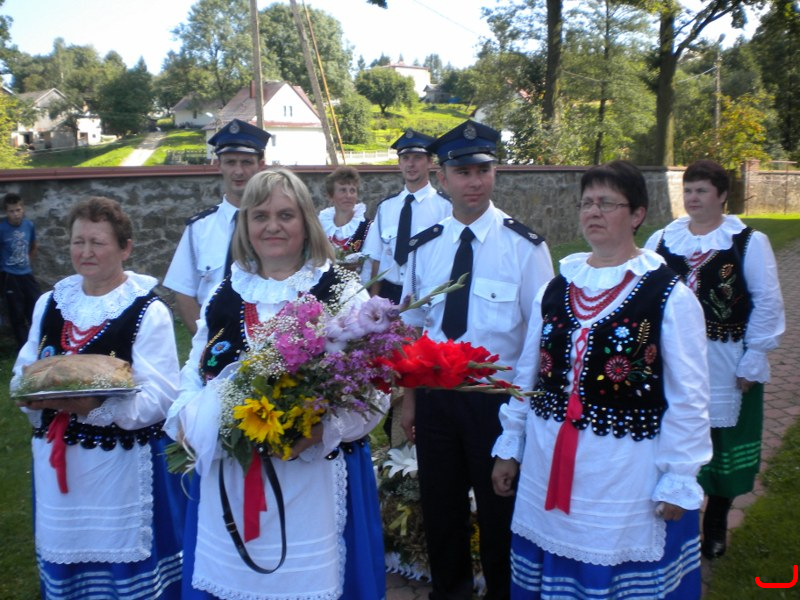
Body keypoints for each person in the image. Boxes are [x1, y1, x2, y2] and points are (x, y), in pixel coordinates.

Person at [491, 160, 712, 599]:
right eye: (587, 202)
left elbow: (689, 398)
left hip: (622, 469)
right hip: (547, 457)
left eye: (607, 203)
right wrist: (510, 446)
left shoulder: (670, 296)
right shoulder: (555, 288)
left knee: (610, 558)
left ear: (637, 214)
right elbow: (527, 375)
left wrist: (679, 475)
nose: (593, 211)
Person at [166, 168, 387, 599]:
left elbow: (374, 390)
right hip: (231, 477)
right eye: (260, 216)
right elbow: (193, 371)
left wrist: (321, 431)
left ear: (306, 221)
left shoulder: (341, 290)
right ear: (245, 225)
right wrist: (190, 421)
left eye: (285, 215)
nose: (272, 226)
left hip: (315, 476)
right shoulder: (223, 293)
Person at [400, 120, 554, 600]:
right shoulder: (425, 246)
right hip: (436, 398)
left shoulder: (525, 247)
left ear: (494, 173)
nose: (474, 182)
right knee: (440, 508)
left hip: (496, 403)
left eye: (483, 170)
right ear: (442, 177)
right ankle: (450, 592)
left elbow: (540, 342)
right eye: (463, 172)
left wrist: (523, 419)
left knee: (499, 511)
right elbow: (413, 329)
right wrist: (409, 401)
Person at [11, 196, 184, 599]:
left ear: (125, 248)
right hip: (59, 466)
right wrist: (30, 396)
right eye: (78, 241)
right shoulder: (50, 303)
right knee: (68, 562)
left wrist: (97, 407)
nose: (85, 252)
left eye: (97, 242)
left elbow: (161, 396)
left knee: (124, 568)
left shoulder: (147, 309)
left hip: (120, 467)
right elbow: (25, 370)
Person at [645, 159, 785, 560]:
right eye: (688, 190)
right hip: (672, 359)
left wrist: (755, 356)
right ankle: (678, 520)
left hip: (725, 359)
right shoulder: (662, 239)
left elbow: (767, 300)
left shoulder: (747, 241)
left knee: (722, 443)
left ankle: (717, 522)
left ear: (722, 195)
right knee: (675, 432)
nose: (693, 198)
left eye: (702, 190)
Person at [164, 118, 270, 335]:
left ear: (261, 165)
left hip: (269, 338)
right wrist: (206, 342)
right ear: (218, 165)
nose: (238, 171)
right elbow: (184, 293)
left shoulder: (277, 227)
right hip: (214, 339)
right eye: (230, 162)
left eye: (246, 162)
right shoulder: (198, 229)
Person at [363, 128, 451, 304]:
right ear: (399, 164)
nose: (411, 164)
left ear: (430, 162)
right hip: (388, 295)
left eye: (418, 158)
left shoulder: (446, 208)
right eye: (405, 158)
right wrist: (373, 300)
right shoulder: (386, 208)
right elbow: (377, 257)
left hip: (426, 295)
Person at [318, 165, 373, 285]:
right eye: (343, 190)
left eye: (352, 190)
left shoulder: (368, 227)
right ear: (331, 196)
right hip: (323, 287)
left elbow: (369, 267)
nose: (348, 196)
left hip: (356, 289)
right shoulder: (322, 224)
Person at [0, 192, 42, 349]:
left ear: (23, 209)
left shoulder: (28, 225)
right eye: (11, 211)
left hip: (26, 274)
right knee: (16, 314)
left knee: (36, 309)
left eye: (18, 210)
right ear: (6, 212)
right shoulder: (2, 229)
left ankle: (38, 345)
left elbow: (33, 245)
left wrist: (27, 261)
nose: (15, 214)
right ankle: (24, 349)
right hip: (9, 276)